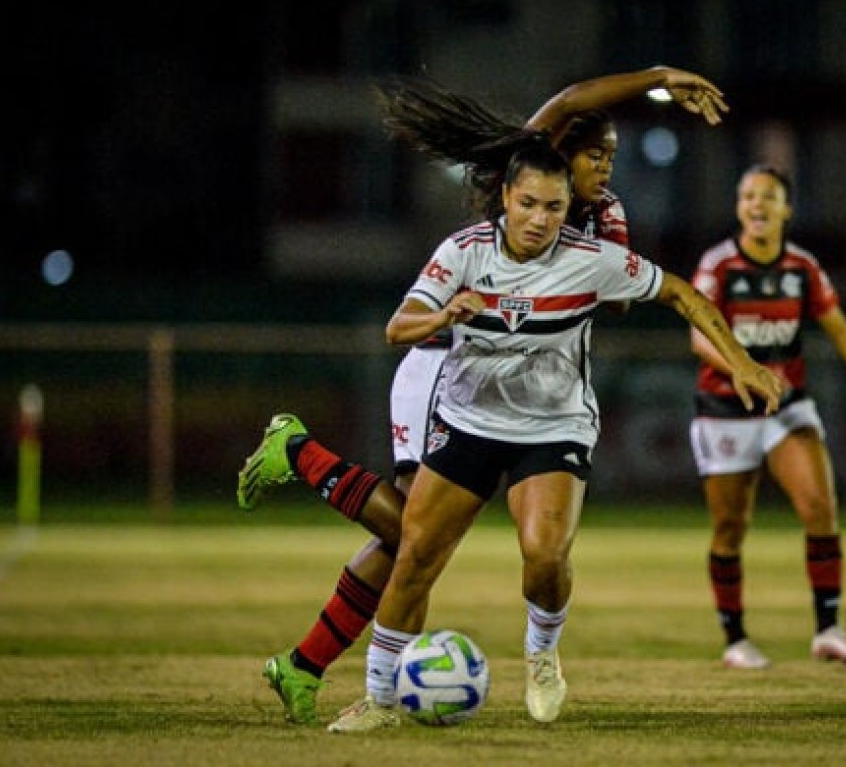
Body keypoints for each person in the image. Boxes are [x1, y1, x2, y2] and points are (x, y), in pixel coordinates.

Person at [237, 66, 733, 726]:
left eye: (612, 155)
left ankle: (304, 665)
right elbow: (568, 100)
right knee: (413, 536)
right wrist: (654, 78)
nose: (606, 167)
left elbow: (615, 298)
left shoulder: (602, 215)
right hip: (442, 363)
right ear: (552, 161)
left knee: (410, 542)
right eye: (596, 154)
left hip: (518, 388)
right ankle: (298, 452)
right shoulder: (524, 179)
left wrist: (587, 264)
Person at [325, 141, 785, 732]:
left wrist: (740, 362)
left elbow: (681, 292)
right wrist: (442, 317)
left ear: (570, 206)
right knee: (415, 556)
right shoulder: (463, 252)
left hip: (553, 425)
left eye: (555, 206)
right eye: (529, 204)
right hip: (468, 420)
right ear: (506, 200)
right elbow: (398, 327)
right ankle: (380, 701)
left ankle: (542, 653)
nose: (541, 219)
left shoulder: (591, 258)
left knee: (544, 556)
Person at [689, 165, 846, 670]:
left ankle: (828, 629)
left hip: (788, 406)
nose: (757, 205)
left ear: (788, 208)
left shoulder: (802, 266)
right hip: (724, 409)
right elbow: (698, 336)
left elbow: (840, 329)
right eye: (747, 196)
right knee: (730, 527)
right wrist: (744, 368)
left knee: (820, 506)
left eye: (769, 196)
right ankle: (735, 638)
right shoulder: (718, 265)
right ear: (738, 206)